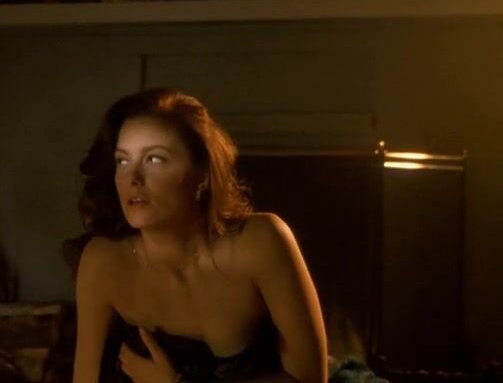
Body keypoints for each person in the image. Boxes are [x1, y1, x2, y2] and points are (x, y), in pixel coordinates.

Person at [72, 88, 327, 383]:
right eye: (122, 161)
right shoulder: (103, 260)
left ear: (203, 172)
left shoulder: (260, 242)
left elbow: (311, 378)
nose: (133, 179)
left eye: (155, 159)